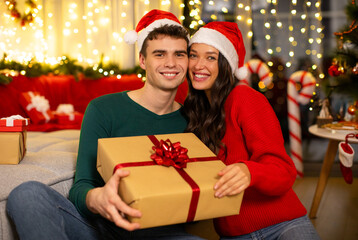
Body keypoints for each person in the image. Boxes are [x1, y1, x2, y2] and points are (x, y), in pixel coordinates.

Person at [6, 10, 203, 240]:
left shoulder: (193, 120)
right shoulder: (103, 109)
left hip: (159, 233)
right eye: (159, 54)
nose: (171, 63)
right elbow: (82, 187)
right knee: (26, 193)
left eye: (179, 54)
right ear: (142, 60)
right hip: (97, 228)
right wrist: (96, 198)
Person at [183, 21, 321, 239]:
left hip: (282, 224)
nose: (199, 65)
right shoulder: (196, 111)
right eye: (193, 55)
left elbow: (284, 171)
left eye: (211, 57)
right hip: (233, 234)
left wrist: (250, 171)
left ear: (226, 64)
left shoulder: (244, 98)